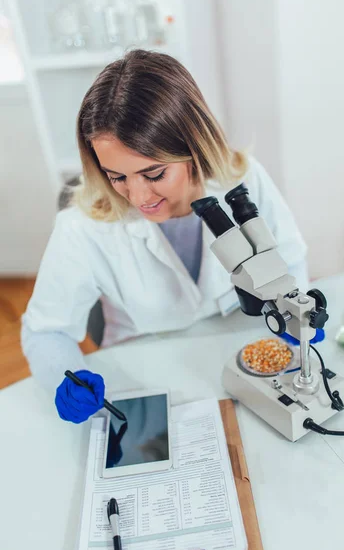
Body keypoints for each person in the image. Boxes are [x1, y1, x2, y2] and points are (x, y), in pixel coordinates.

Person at [21, 49, 308, 424]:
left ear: (193, 148)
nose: (138, 198)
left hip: (242, 356)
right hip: (141, 373)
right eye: (117, 176)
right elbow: (46, 332)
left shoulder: (242, 181)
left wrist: (296, 325)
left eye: (154, 175)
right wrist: (65, 378)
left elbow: (290, 258)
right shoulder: (83, 225)